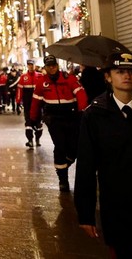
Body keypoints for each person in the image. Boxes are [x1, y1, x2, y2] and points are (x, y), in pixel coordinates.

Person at [75, 51, 132, 257]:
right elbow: (86, 166)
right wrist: (85, 215)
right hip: (117, 205)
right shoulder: (94, 115)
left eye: (131, 71)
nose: (126, 76)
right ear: (108, 76)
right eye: (120, 71)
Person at [30, 54, 88, 192]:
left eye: (54, 66)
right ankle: (63, 179)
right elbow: (36, 102)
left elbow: (80, 93)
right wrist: (33, 119)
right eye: (49, 66)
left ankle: (65, 163)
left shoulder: (69, 79)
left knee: (74, 146)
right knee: (60, 145)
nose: (52, 68)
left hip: (71, 116)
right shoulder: (41, 83)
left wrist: (82, 111)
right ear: (45, 68)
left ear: (57, 66)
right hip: (53, 119)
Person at [18, 59, 44, 148]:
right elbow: (19, 90)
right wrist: (18, 101)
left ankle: (37, 138)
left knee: (39, 124)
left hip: (38, 104)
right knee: (28, 123)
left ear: (34, 65)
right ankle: (30, 140)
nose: (30, 66)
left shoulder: (40, 76)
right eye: (29, 65)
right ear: (27, 66)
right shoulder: (23, 77)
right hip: (28, 104)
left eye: (32, 64)